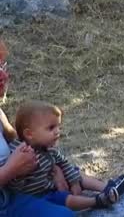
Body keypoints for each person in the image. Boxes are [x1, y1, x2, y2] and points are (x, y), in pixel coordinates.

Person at [4, 101, 124, 210]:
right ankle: (97, 201)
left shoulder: (47, 147)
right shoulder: (19, 154)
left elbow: (64, 163)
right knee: (67, 200)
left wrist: (74, 181)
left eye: (58, 126)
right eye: (51, 128)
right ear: (29, 134)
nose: (58, 131)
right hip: (40, 196)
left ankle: (108, 188)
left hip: (53, 184)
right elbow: (13, 185)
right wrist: (21, 174)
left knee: (76, 173)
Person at [0, 40, 74, 217]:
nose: (3, 75)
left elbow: (22, 139)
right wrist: (11, 169)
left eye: (1, 64)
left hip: (10, 197)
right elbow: (13, 165)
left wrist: (54, 167)